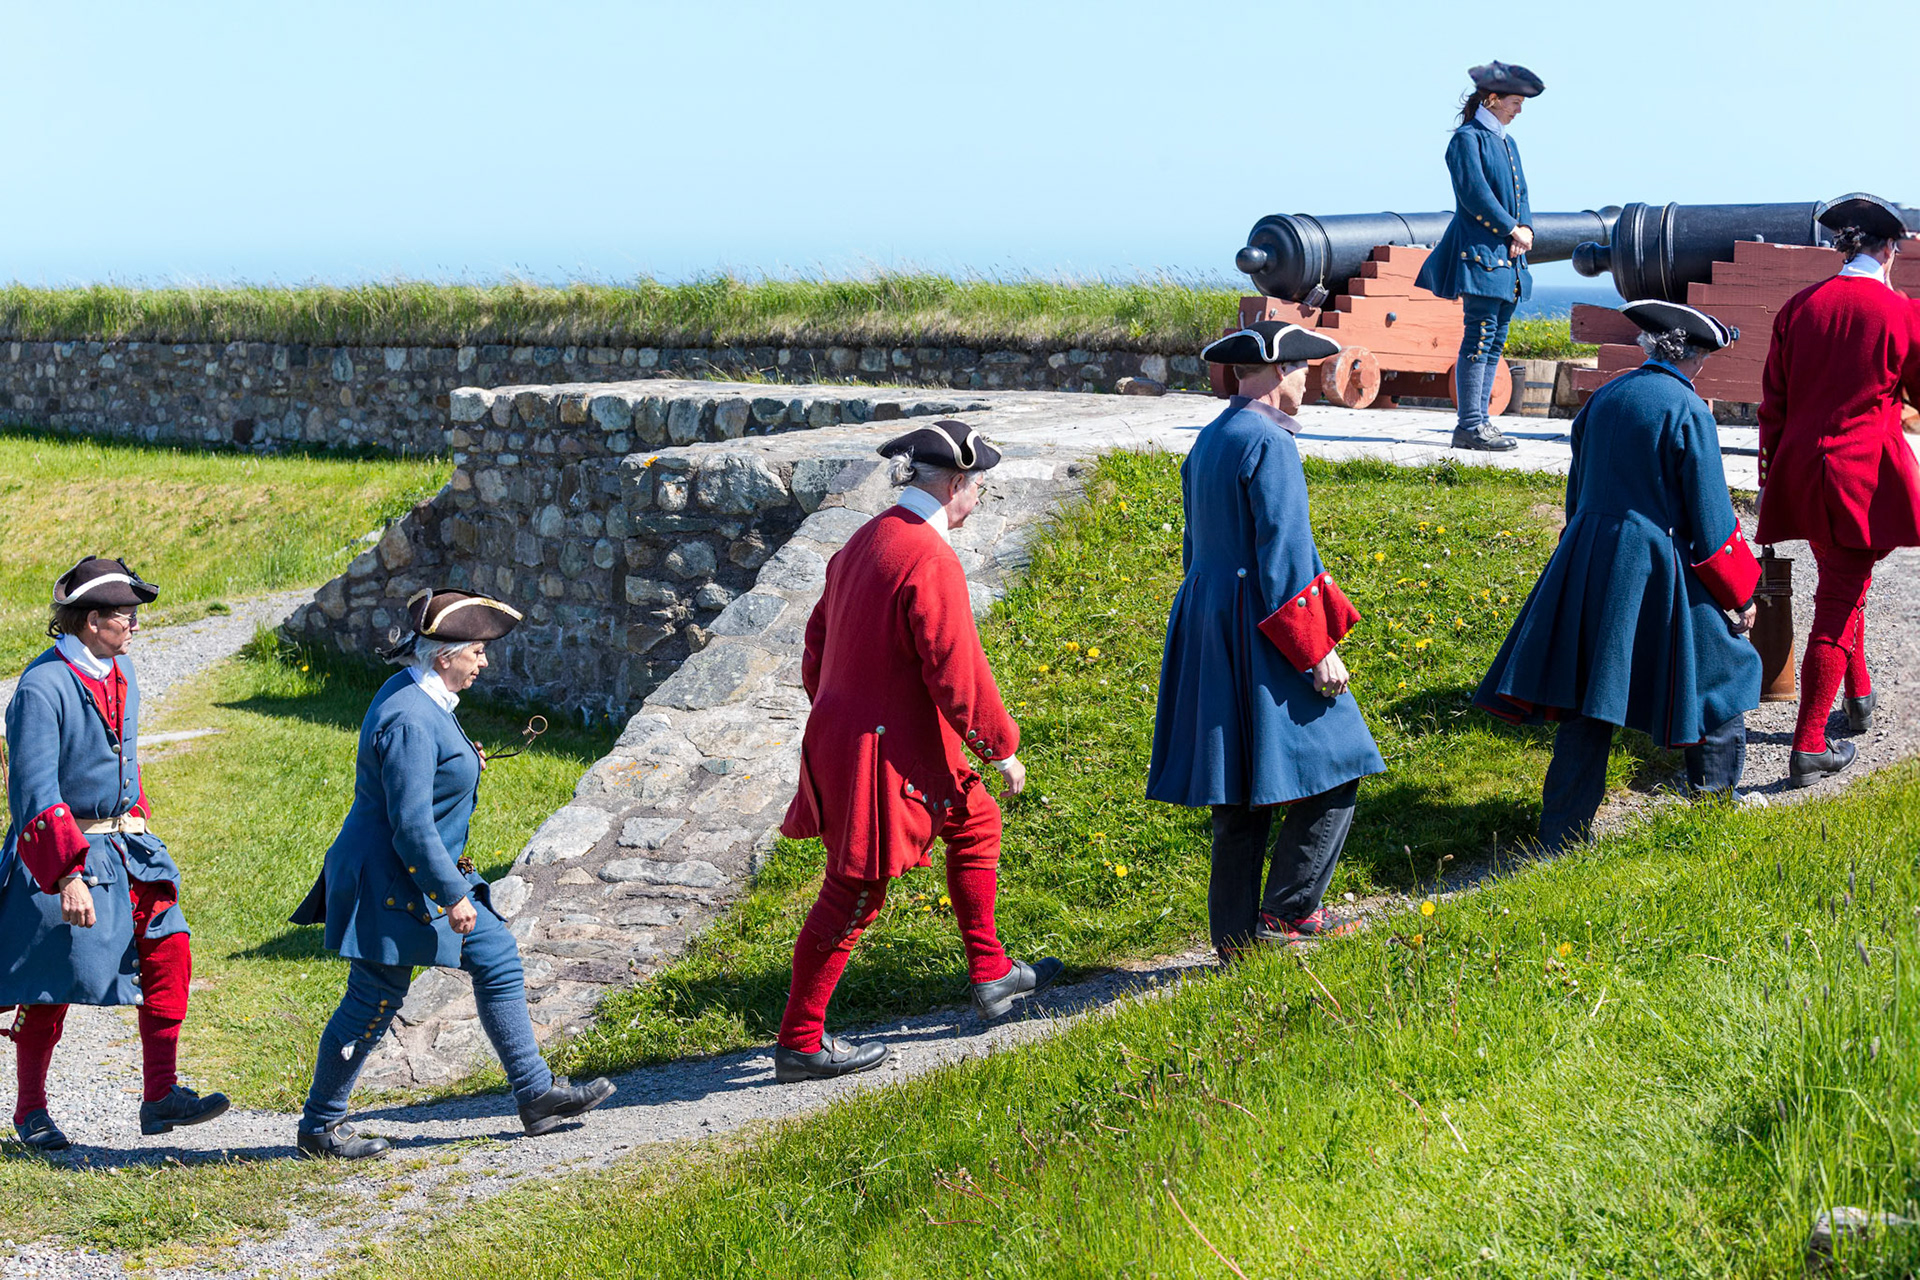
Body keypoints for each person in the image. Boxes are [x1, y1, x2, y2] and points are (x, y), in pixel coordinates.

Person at [774, 420, 1062, 1082]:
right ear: (956, 483)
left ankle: (991, 972)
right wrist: (1000, 747)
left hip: (867, 735)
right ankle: (800, 1040)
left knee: (975, 818)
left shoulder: (865, 539)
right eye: (979, 485)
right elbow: (955, 670)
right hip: (879, 751)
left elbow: (816, 649)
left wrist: (843, 709)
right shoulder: (928, 558)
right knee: (854, 893)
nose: (981, 497)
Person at [289, 589, 614, 1158]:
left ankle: (536, 1094)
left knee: (496, 956)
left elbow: (424, 779)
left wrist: (464, 762)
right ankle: (320, 1126)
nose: (484, 662)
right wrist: (453, 894)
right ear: (445, 656)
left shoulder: (416, 694)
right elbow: (411, 827)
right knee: (372, 1000)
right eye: (478, 652)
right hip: (392, 883)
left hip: (407, 877)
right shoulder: (412, 717)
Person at [1476, 301, 1763, 847]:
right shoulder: (1687, 408)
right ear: (1694, 357)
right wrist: (1740, 593)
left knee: (1590, 695)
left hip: (1586, 556)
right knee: (1724, 672)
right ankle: (1711, 810)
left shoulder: (1604, 397)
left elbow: (1577, 492)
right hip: (1651, 560)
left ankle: (1561, 833)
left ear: (1650, 347)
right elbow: (1711, 518)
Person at [1147, 323, 1386, 961]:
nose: (1309, 380)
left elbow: (1199, 548)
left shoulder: (1211, 437)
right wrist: (1315, 650)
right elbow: (1283, 555)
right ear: (1278, 369)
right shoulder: (1270, 442)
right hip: (1262, 623)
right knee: (1344, 763)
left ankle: (1234, 946)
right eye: (1304, 369)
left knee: (1238, 791)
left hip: (1209, 619)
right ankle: (1288, 910)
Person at [0, 556, 229, 1152]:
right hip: (60, 854)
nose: (134, 625)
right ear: (89, 620)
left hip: (128, 848)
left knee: (170, 951)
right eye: (124, 616)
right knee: (52, 983)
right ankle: (30, 1112)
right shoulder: (41, 686)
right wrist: (66, 875)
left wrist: (140, 821)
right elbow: (32, 791)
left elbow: (125, 762)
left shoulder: (120, 671)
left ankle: (160, 1094)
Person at [1756, 192, 1920, 787]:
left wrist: (1770, 480)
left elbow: (1771, 408)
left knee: (1844, 588)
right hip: (1862, 480)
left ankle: (1860, 696)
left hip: (1802, 473)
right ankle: (1809, 746)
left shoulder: (1798, 308)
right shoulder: (1902, 314)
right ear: (1891, 250)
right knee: (1838, 605)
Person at [1414, 60, 1545, 454]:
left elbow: (1522, 196)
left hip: (1508, 257)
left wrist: (1527, 230)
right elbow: (1475, 196)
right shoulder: (1466, 140)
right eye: (1515, 101)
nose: (1519, 109)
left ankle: (1482, 423)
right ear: (1492, 98)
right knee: (1480, 335)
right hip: (1482, 254)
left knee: (1495, 340)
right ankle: (1469, 425)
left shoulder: (1507, 142)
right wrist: (1510, 228)